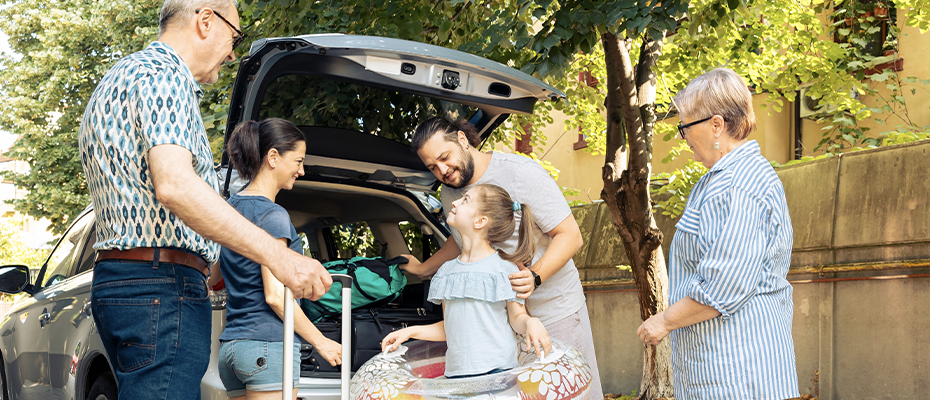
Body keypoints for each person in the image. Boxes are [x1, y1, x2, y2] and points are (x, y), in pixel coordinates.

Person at [77, 1, 331, 399]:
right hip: (161, 287)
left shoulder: (119, 78)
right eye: (235, 37)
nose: (233, 53)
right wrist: (281, 257)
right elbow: (175, 186)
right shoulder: (165, 76)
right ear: (205, 19)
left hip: (123, 284)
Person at [404, 117, 601, 397]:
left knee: (573, 392)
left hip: (555, 309)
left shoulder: (521, 173)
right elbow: (460, 240)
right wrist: (424, 269)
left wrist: (535, 276)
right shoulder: (450, 192)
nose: (443, 171)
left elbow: (570, 235)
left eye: (445, 158)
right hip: (505, 323)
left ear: (462, 139)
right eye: (432, 167)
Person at [635, 68, 799, 400]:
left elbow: (726, 285)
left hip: (740, 372)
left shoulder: (740, 185)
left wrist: (664, 321)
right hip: (720, 368)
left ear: (716, 124)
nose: (682, 136)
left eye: (685, 126)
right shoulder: (720, 180)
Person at [214, 119, 342, 399]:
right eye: (298, 160)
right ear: (273, 157)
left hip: (232, 349)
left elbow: (213, 277)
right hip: (267, 347)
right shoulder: (273, 215)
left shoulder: (230, 210)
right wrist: (321, 341)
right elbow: (274, 295)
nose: (302, 170)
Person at [381, 184, 551, 378]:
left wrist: (530, 322)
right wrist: (408, 332)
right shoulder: (445, 272)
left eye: (465, 200)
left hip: (498, 376)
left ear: (480, 221)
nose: (454, 202)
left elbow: (516, 319)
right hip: (456, 378)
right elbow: (450, 327)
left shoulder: (505, 269)